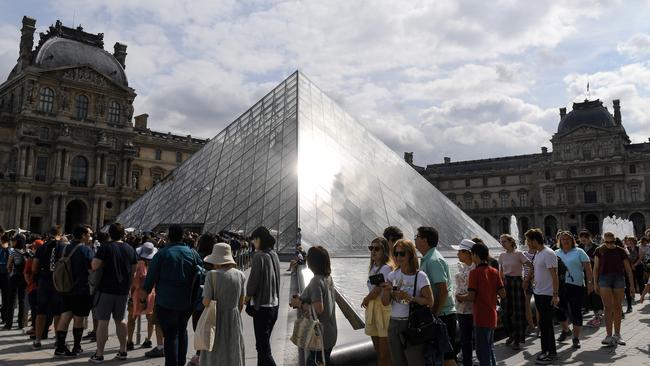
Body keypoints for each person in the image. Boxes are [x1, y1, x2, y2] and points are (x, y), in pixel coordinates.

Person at [143, 224, 203, 366]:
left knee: (170, 335)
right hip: (187, 301)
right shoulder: (192, 253)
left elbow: (150, 279)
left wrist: (143, 296)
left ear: (169, 236)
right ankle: (181, 362)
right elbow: (201, 273)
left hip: (166, 301)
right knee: (182, 332)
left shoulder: (162, 254)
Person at [380, 239, 433, 366]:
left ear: (410, 254)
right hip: (393, 323)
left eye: (402, 254)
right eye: (396, 254)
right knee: (398, 362)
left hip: (412, 324)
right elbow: (385, 303)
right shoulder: (392, 275)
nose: (398, 257)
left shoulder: (420, 276)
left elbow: (430, 301)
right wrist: (386, 291)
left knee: (415, 362)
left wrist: (410, 298)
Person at [90, 223, 138, 363]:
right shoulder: (130, 249)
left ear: (110, 234)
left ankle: (99, 354)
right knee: (120, 320)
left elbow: (94, 265)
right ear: (123, 234)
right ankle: (123, 350)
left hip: (106, 289)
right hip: (122, 290)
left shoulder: (105, 248)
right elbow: (133, 271)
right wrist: (128, 287)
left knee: (103, 321)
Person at [457, 242, 505, 366]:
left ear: (476, 255)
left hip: (480, 316)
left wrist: (459, 297)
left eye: (472, 254)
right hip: (492, 314)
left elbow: (471, 296)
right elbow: (503, 294)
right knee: (490, 348)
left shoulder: (474, 273)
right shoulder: (494, 271)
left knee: (482, 353)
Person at [415, 226, 456, 366]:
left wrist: (435, 315)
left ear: (424, 240)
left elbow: (443, 290)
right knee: (444, 357)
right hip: (443, 313)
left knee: (447, 358)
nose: (415, 239)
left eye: (417, 236)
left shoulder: (433, 260)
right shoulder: (430, 258)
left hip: (443, 315)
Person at [199, 243, 246, 366]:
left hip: (215, 319)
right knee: (233, 351)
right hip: (234, 319)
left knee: (215, 352)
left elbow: (206, 302)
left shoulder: (212, 275)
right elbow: (241, 303)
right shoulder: (240, 275)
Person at [291, 246, 338, 365]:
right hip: (330, 332)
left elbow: (318, 309)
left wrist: (299, 304)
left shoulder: (316, 281)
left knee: (315, 362)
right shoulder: (328, 278)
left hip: (319, 337)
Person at [54, 225, 95, 357]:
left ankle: (60, 347)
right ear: (83, 235)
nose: (90, 236)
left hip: (65, 287)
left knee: (65, 316)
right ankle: (77, 347)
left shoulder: (65, 247)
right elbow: (92, 269)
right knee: (79, 318)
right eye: (88, 234)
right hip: (81, 288)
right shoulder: (86, 250)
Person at [246, 226, 281, 366]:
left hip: (263, 309)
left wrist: (246, 298)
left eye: (254, 239)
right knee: (262, 347)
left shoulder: (259, 256)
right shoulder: (274, 254)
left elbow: (253, 282)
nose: (253, 242)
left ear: (259, 239)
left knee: (263, 349)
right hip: (274, 307)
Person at [593, 232, 636, 347]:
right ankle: (608, 335)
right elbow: (596, 268)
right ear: (603, 241)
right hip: (604, 279)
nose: (609, 244)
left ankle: (617, 334)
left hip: (618, 278)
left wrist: (632, 285)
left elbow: (628, 269)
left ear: (615, 240)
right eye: (607, 242)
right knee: (607, 307)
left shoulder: (621, 251)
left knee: (617, 307)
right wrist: (595, 283)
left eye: (612, 242)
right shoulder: (599, 250)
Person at [525, 228, 559, 365]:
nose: (527, 243)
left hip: (547, 294)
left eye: (528, 240)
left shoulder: (548, 253)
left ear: (534, 240)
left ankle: (551, 353)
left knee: (547, 325)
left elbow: (554, 276)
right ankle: (545, 351)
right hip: (538, 293)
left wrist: (555, 294)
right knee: (543, 325)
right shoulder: (538, 254)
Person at [554, 231, 593, 349]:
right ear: (559, 241)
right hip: (560, 286)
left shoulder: (579, 251)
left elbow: (588, 268)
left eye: (567, 239)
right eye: (563, 239)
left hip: (576, 285)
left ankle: (576, 338)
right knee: (559, 310)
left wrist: (590, 283)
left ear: (572, 240)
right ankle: (565, 330)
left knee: (576, 311)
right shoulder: (555, 253)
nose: (565, 241)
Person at [32, 226, 67, 349]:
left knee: (41, 312)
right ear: (60, 234)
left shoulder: (41, 247)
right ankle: (58, 340)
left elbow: (34, 267)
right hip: (58, 283)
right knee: (58, 312)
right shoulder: (64, 247)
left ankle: (37, 340)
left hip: (44, 281)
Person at [127, 241, 164, 358]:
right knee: (150, 319)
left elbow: (134, 282)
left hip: (137, 294)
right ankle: (148, 339)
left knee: (131, 318)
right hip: (151, 294)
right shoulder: (156, 265)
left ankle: (130, 341)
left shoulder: (138, 265)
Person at [361, 237, 393, 366]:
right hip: (373, 309)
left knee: (385, 354)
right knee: (378, 352)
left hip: (382, 310)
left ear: (384, 251)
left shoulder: (385, 269)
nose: (373, 251)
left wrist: (366, 299)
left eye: (377, 248)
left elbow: (378, 289)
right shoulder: (373, 267)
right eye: (371, 248)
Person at [497, 234, 532, 351]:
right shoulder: (501, 255)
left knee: (518, 313)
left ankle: (517, 339)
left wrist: (526, 280)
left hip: (517, 282)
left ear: (511, 241)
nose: (502, 243)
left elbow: (530, 266)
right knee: (505, 313)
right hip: (506, 283)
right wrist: (499, 286)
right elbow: (500, 272)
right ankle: (511, 334)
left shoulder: (519, 254)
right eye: (501, 241)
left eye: (504, 241)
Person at [451, 239, 476, 366]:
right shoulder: (465, 266)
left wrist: (461, 297)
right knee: (465, 339)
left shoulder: (474, 269)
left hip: (469, 309)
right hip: (461, 308)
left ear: (467, 253)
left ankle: (468, 363)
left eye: (460, 252)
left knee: (467, 339)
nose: (457, 254)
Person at [579, 230, 603, 327]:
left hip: (594, 273)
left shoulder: (596, 247)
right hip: (583, 274)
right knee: (588, 295)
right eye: (582, 237)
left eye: (585, 237)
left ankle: (597, 315)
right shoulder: (580, 248)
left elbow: (600, 261)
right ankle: (596, 314)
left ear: (590, 237)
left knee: (595, 294)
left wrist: (587, 258)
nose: (583, 239)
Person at [5, 234, 27, 330]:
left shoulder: (13, 252)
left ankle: (8, 323)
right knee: (21, 300)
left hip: (14, 277)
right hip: (24, 278)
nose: (12, 242)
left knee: (11, 301)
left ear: (17, 242)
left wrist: (10, 272)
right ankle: (21, 323)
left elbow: (8, 265)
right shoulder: (26, 251)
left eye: (13, 240)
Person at [0, 232, 11, 327]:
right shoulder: (10, 250)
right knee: (5, 297)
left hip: (5, 275)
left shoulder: (9, 250)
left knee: (5, 297)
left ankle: (4, 317)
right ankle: (4, 317)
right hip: (6, 275)